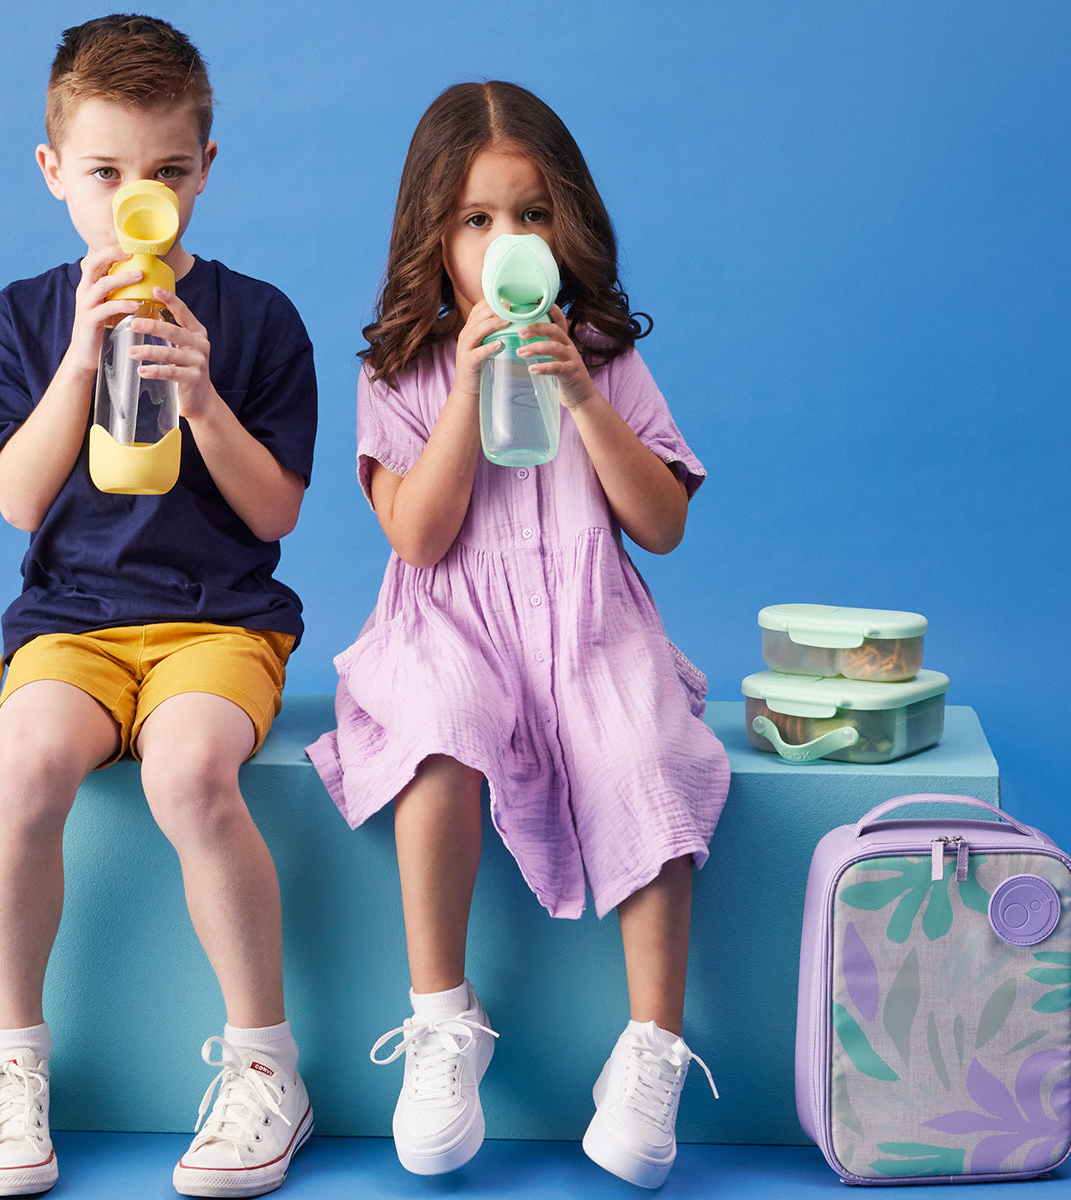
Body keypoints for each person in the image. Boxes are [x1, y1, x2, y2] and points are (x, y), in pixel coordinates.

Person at [307, 80, 729, 1189]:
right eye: (477, 220)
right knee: (438, 736)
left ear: (568, 226)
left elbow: (665, 525)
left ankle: (650, 1052)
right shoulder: (397, 373)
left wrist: (586, 398)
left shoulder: (607, 359)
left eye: (532, 215)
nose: (508, 243)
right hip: (451, 621)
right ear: (433, 237)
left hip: (589, 621)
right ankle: (443, 1019)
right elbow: (422, 534)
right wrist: (466, 395)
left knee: (651, 752)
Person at [0, 15, 316, 1198]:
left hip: (219, 621)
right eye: (106, 174)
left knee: (188, 777)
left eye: (166, 172)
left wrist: (204, 396)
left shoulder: (257, 320)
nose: (134, 201)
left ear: (206, 169)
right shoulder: (19, 319)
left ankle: (266, 1063)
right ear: (55, 171)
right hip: (70, 622)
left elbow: (275, 516)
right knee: (24, 770)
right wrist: (80, 356)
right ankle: (12, 1059)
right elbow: (17, 500)